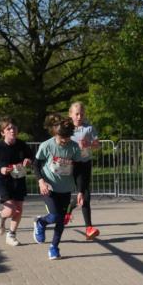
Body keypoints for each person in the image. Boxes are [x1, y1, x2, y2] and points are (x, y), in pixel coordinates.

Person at [33, 115, 84, 260]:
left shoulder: (74, 148)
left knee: (61, 220)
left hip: (65, 188)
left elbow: (79, 171)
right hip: (49, 187)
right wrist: (41, 181)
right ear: (55, 133)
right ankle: (41, 222)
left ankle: (54, 247)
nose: (65, 141)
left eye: (67, 138)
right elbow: (35, 165)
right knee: (55, 216)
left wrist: (80, 190)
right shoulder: (47, 145)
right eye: (62, 138)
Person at [0, 117, 34, 246]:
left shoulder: (22, 144)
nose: (12, 130)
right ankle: (0, 216)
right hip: (3, 181)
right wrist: (0, 169)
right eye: (9, 129)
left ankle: (11, 235)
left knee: (19, 209)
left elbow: (31, 157)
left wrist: (28, 160)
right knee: (11, 210)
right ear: (3, 132)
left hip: (19, 179)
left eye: (14, 128)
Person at [66, 102, 101, 240]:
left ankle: (88, 227)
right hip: (71, 164)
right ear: (70, 114)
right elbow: (61, 142)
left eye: (81, 113)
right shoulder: (67, 128)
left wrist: (89, 144)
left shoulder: (89, 128)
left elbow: (98, 145)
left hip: (85, 163)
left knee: (85, 194)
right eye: (76, 114)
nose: (79, 116)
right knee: (82, 193)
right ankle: (86, 225)